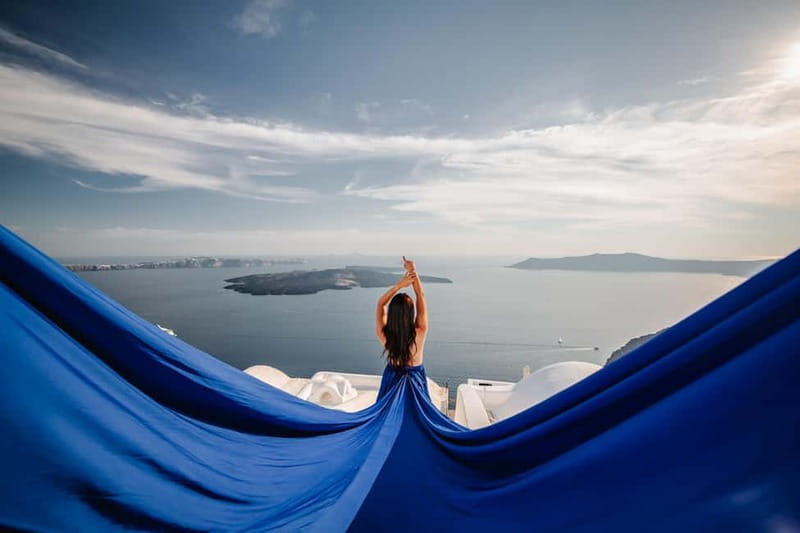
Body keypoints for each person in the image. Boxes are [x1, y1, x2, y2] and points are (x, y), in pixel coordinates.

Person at [374, 256, 428, 400]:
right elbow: (420, 295)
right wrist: (412, 271)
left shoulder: (385, 335)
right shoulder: (420, 331)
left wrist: (399, 285)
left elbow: (380, 304)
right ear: (411, 314)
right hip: (415, 382)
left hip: (392, 380)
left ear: (392, 313)